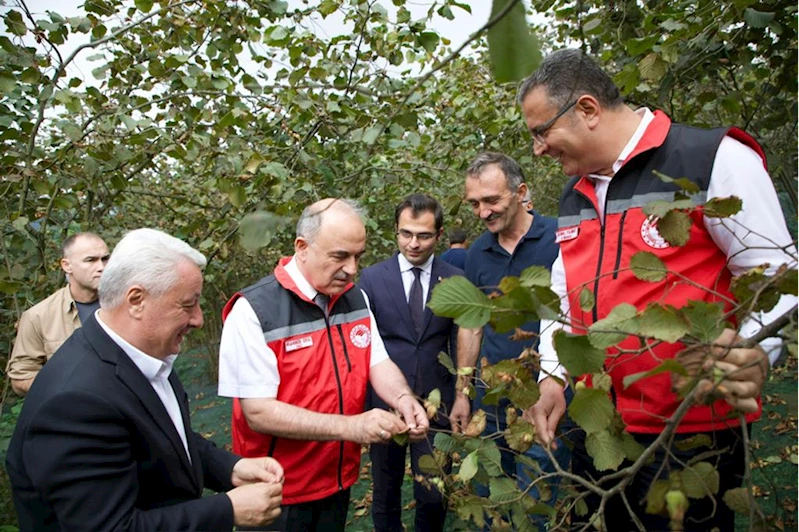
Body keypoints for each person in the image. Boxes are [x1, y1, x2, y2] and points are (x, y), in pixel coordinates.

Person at [518, 48, 798, 530]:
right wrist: (553, 376)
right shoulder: (573, 192)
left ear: (586, 109)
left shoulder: (711, 158)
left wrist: (756, 349)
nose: (538, 149)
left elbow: (779, 276)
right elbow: (563, 296)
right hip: (600, 430)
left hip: (691, 435)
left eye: (542, 132)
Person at [5, 228, 284, 532]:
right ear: (136, 300)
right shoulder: (76, 402)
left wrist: (229, 467)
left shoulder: (143, 353)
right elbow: (110, 528)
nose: (199, 319)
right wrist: (227, 510)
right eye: (187, 304)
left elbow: (164, 435)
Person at [218, 198, 430, 532]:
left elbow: (378, 361)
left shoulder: (354, 298)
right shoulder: (253, 311)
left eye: (358, 256)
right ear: (302, 247)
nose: (352, 269)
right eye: (340, 256)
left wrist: (403, 398)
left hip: (337, 482)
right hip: (277, 491)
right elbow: (257, 411)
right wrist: (352, 427)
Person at [449, 152, 567, 527]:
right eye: (474, 204)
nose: (483, 213)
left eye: (492, 200)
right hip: (493, 400)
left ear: (521, 192)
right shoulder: (477, 254)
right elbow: (472, 326)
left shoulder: (560, 237)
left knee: (538, 503)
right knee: (493, 503)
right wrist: (463, 392)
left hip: (546, 399)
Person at [358, 194, 462, 532]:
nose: (413, 244)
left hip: (438, 403)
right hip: (385, 403)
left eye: (423, 235)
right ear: (396, 232)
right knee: (386, 491)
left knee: (433, 493)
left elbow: (463, 339)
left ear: (440, 234)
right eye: (406, 234)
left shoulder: (454, 277)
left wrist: (462, 393)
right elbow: (364, 345)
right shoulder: (372, 279)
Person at [7, 232, 109, 396]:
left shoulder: (128, 305)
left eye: (105, 259)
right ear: (66, 265)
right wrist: (66, 388)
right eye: (90, 260)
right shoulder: (38, 317)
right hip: (70, 415)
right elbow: (21, 379)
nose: (101, 267)